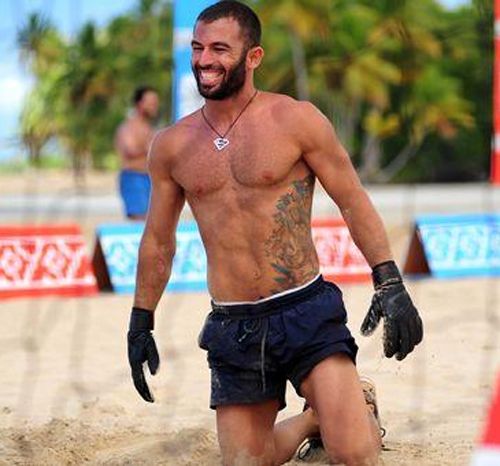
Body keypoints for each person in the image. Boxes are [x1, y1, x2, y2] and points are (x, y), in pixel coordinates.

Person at [126, 2, 423, 465]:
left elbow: (352, 199)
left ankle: (351, 407)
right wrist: (140, 320)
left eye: (219, 49)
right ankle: (314, 419)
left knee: (356, 457)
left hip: (305, 310)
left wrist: (389, 281)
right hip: (233, 324)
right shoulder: (171, 145)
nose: (204, 60)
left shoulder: (296, 120)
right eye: (198, 48)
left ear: (254, 57)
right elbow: (158, 241)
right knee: (247, 461)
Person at [115, 86, 160, 220]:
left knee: (154, 222)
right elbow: (130, 150)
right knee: (140, 222)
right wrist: (150, 147)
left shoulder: (148, 127)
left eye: (155, 103)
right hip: (134, 178)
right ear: (139, 104)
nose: (154, 106)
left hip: (150, 179)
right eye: (151, 103)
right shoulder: (128, 127)